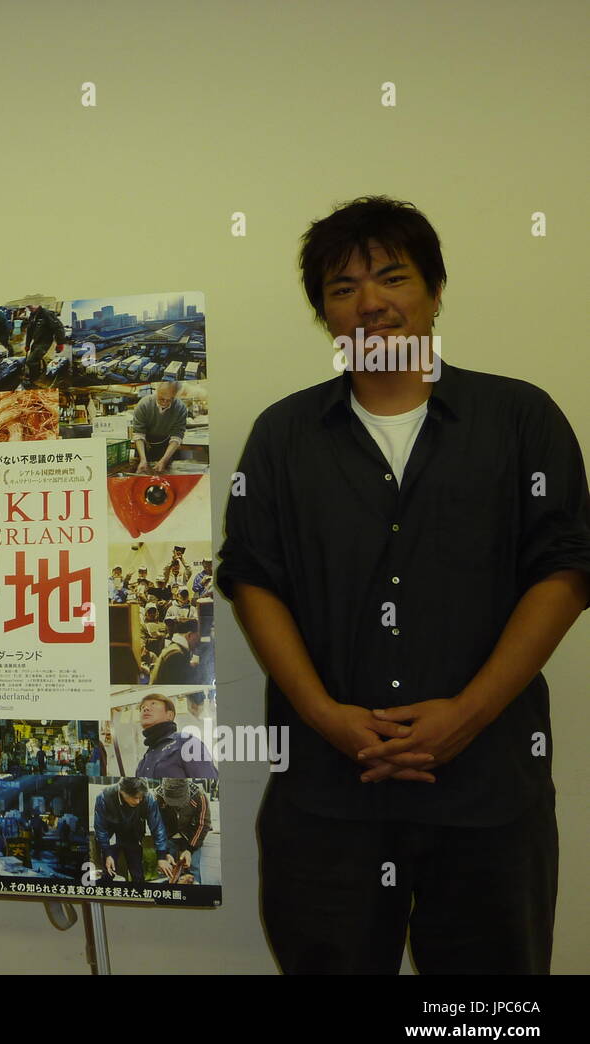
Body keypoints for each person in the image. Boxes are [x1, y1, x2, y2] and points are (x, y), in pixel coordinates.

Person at [218, 195, 590, 975]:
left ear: (434, 289)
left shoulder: (521, 419)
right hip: (327, 794)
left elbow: (566, 569)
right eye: (343, 287)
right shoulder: (284, 437)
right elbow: (254, 579)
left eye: (392, 277)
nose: (371, 302)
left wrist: (468, 714)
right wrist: (324, 715)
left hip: (488, 792)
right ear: (324, 311)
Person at [92, 778, 173, 885]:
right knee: (109, 873)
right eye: (135, 798)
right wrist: (107, 853)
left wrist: (162, 856)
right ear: (122, 791)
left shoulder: (148, 798)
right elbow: (100, 828)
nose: (138, 801)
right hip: (111, 837)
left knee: (138, 874)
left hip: (134, 836)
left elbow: (158, 827)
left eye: (141, 797)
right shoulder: (104, 797)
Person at [133, 693, 217, 777]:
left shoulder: (186, 742)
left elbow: (209, 784)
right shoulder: (143, 762)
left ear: (169, 715)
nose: (145, 709)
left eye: (153, 704)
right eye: (142, 707)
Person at [154, 778, 212, 884]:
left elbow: (204, 824)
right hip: (169, 836)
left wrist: (190, 849)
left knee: (193, 870)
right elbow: (157, 826)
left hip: (191, 837)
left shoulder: (199, 795)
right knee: (166, 870)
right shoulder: (158, 796)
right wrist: (164, 853)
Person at [131, 382, 188, 474]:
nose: (165, 402)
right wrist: (143, 459)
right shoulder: (144, 404)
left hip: (166, 446)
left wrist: (164, 460)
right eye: (161, 399)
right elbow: (138, 434)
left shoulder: (180, 408)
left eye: (170, 400)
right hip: (145, 444)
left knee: (166, 474)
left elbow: (177, 436)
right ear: (157, 392)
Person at [24, 303, 66, 382]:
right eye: (28, 306)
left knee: (31, 361)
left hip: (45, 342)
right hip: (36, 341)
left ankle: (34, 379)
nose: (30, 307)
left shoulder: (47, 314)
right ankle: (37, 372)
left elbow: (58, 327)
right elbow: (29, 331)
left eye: (31, 305)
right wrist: (27, 344)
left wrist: (60, 343)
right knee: (35, 359)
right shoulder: (32, 315)